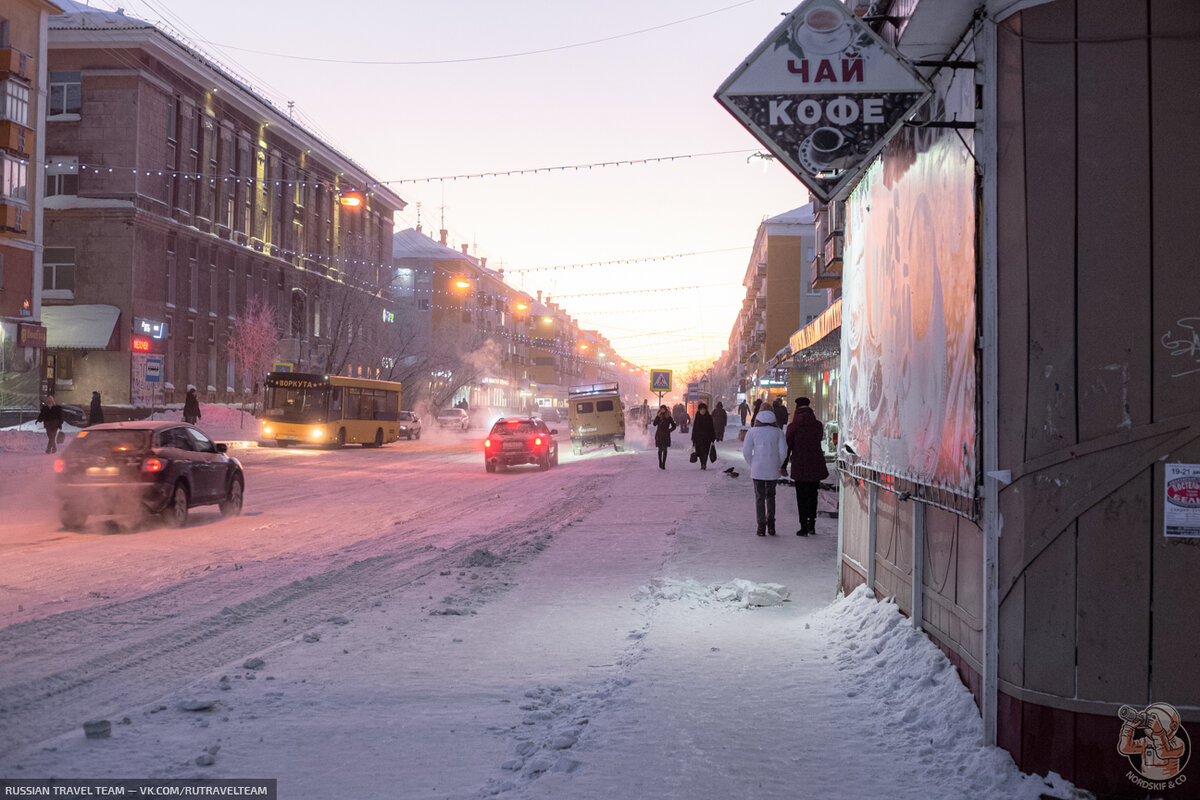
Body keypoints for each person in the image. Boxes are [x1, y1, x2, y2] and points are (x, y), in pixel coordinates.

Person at [785, 397, 829, 536]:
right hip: (815, 465)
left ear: (797, 408)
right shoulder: (817, 425)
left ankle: (803, 526)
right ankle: (812, 524)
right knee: (812, 494)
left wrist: (783, 464)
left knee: (801, 496)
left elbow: (788, 446)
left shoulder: (793, 427)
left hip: (799, 465)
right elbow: (819, 439)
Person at [742, 407, 787, 536]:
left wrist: (753, 463)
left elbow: (746, 452)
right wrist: (777, 464)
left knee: (759, 498)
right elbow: (783, 452)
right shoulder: (778, 432)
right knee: (771, 497)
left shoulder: (752, 432)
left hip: (758, 469)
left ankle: (761, 526)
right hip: (772, 469)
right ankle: (771, 525)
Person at [690, 402, 716, 470]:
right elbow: (694, 428)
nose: (703, 410)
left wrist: (713, 437)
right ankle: (702, 463)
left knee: (706, 452)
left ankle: (704, 464)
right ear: (699, 410)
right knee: (700, 452)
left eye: (704, 409)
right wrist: (693, 438)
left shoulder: (709, 417)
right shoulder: (697, 417)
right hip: (699, 438)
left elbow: (712, 428)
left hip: (707, 438)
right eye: (701, 409)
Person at [651, 405, 677, 470]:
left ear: (665, 410)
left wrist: (669, 430)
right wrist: (657, 416)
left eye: (663, 409)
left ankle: (663, 464)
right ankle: (660, 462)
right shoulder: (658, 416)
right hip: (659, 435)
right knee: (660, 450)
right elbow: (654, 424)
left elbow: (674, 426)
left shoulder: (668, 417)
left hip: (665, 435)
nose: (662, 410)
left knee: (665, 450)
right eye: (661, 409)